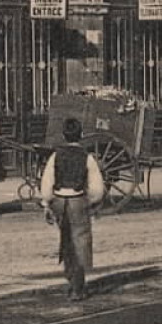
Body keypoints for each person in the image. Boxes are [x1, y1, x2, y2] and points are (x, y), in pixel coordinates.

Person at [39, 117, 105, 301]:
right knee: (80, 241)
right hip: (77, 201)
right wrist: (90, 202)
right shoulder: (87, 158)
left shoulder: (55, 156)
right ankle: (78, 287)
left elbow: (46, 184)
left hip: (59, 200)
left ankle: (71, 280)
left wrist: (47, 203)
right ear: (81, 135)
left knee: (66, 241)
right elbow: (97, 189)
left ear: (64, 136)